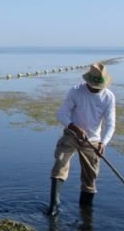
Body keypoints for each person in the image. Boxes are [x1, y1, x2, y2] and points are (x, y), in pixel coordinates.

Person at [47, 63, 116, 216]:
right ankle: (54, 206)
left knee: (90, 178)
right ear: (87, 81)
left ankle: (85, 213)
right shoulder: (76, 91)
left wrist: (103, 143)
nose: (96, 88)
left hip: (93, 140)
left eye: (99, 86)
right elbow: (62, 114)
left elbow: (111, 125)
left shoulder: (109, 97)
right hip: (71, 134)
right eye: (94, 85)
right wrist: (74, 127)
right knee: (60, 162)